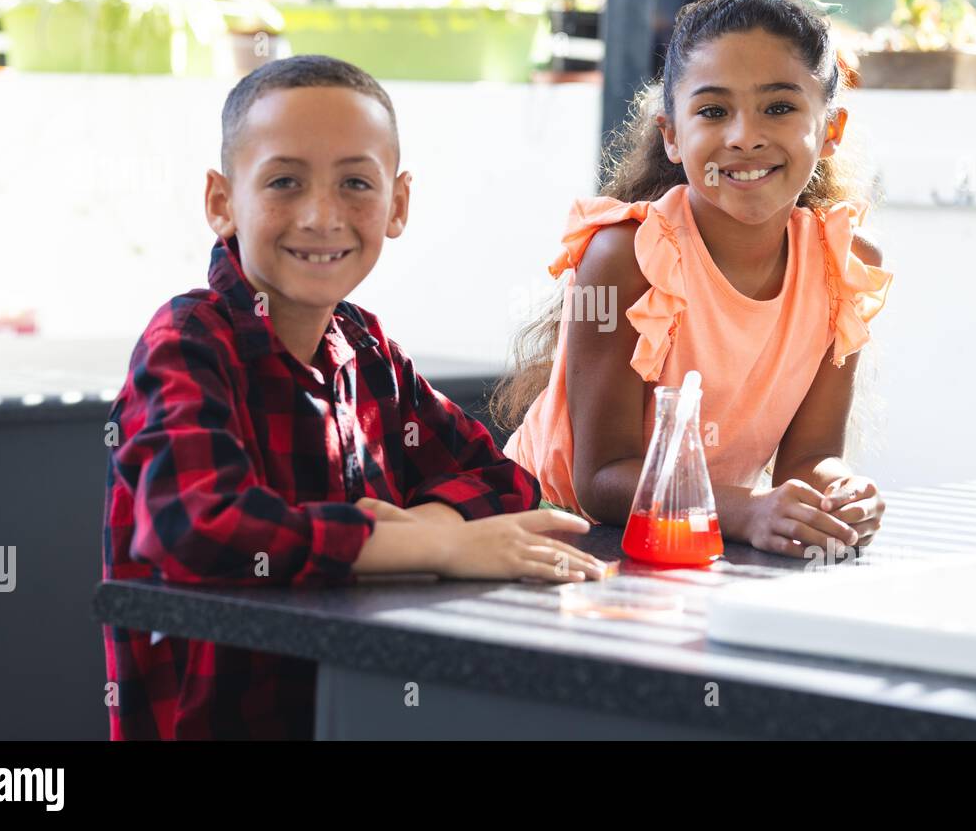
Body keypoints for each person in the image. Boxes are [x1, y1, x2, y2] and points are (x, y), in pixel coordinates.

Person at [102, 55, 605, 740]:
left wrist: (423, 527)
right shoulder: (189, 340)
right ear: (222, 201)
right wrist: (435, 546)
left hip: (355, 714)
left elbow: (502, 478)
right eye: (284, 181)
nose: (320, 215)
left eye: (355, 183)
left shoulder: (365, 348)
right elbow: (198, 527)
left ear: (397, 204)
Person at [494, 0, 893, 560]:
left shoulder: (846, 263)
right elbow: (601, 480)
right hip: (553, 535)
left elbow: (809, 460)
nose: (744, 137)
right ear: (673, 135)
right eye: (713, 110)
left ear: (830, 130)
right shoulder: (623, 256)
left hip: (695, 535)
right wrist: (747, 509)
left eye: (779, 107)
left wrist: (839, 492)